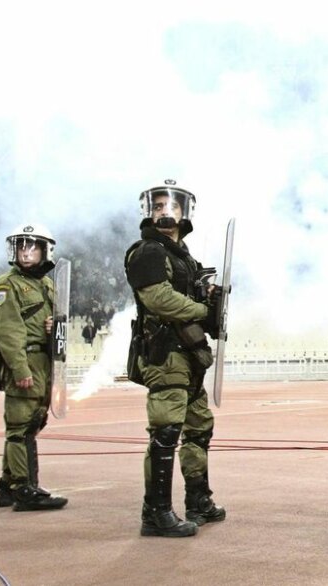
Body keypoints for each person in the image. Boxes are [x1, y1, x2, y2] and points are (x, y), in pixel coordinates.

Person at [125, 180, 225, 538]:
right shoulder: (148, 251)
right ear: (148, 211)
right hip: (165, 353)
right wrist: (202, 308)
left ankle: (198, 500)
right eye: (159, 204)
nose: (166, 211)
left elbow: (190, 292)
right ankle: (156, 512)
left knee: (199, 428)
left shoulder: (184, 256)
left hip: (191, 355)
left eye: (173, 205)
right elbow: (158, 299)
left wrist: (211, 294)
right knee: (166, 432)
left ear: (185, 213)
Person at [0, 224, 68, 511]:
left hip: (43, 361)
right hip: (24, 361)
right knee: (20, 427)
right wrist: (20, 369)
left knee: (31, 422)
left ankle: (8, 486)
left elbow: (56, 322)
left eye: (32, 246)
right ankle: (24, 488)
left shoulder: (46, 284)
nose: (25, 251)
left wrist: (53, 329)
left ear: (44, 251)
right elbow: (7, 330)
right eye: (21, 246)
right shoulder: (7, 284)